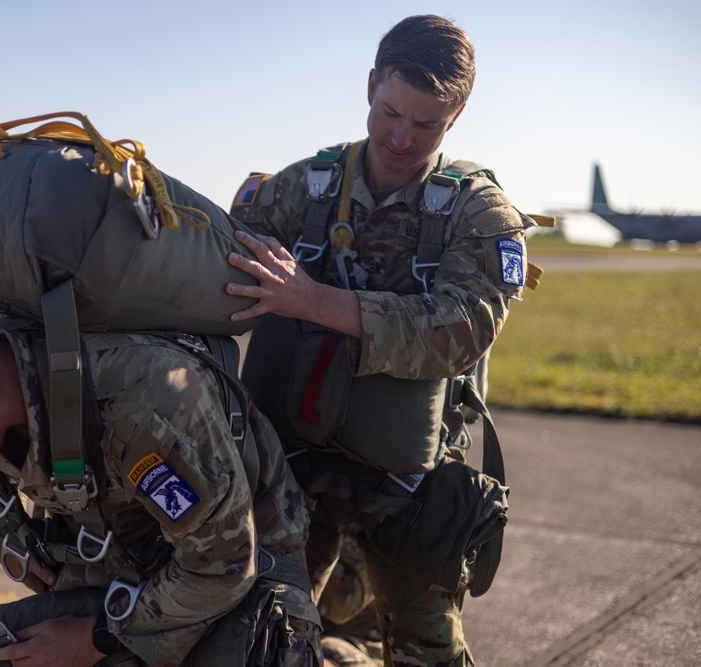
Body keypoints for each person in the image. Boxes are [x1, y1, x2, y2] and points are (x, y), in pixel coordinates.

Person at [224, 15, 533, 666]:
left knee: (427, 652)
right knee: (261, 644)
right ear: (370, 86)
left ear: (458, 115)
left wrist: (316, 301)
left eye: (427, 124)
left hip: (408, 481)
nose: (401, 137)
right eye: (391, 112)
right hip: (295, 466)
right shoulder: (303, 190)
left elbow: (463, 330)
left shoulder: (479, 211)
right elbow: (214, 276)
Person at [0, 317, 322, 667]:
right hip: (128, 551)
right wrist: (7, 535)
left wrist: (96, 638)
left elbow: (223, 567)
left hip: (242, 565)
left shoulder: (142, 408)